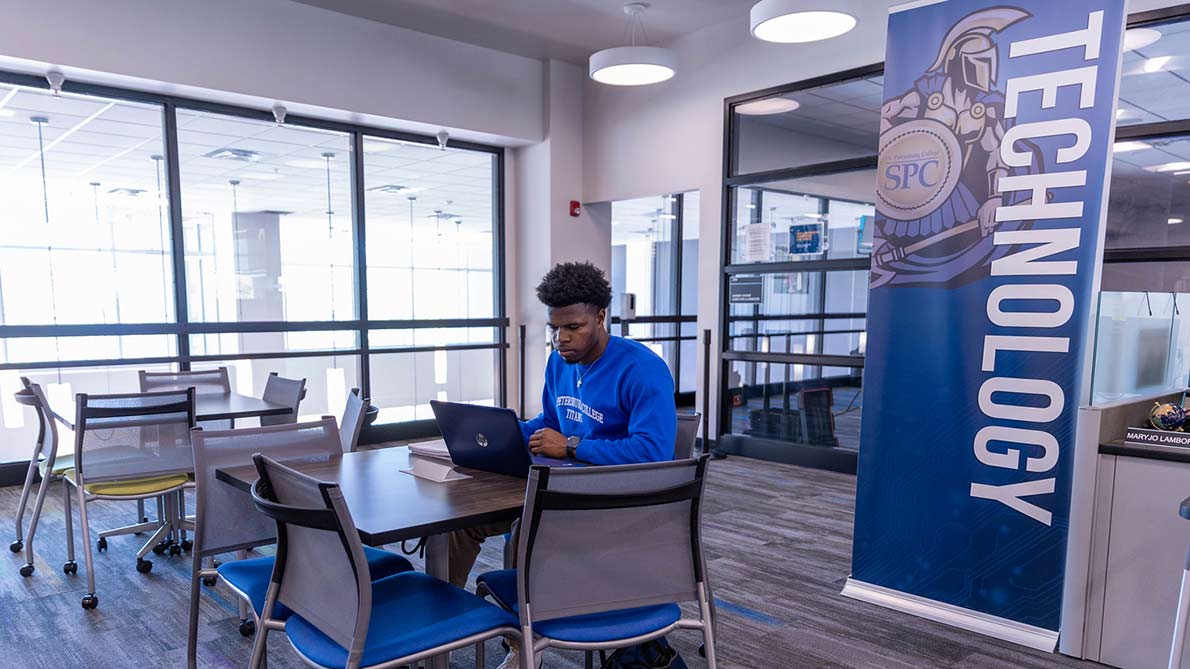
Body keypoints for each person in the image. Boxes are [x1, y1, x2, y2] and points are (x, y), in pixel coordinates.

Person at [446, 261, 677, 669]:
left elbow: (653, 453)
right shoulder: (560, 363)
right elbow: (549, 424)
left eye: (573, 326)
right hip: (557, 488)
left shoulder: (642, 369)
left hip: (618, 502)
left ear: (600, 316)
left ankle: (524, 643)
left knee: (528, 526)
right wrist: (498, 433)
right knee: (460, 522)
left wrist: (571, 447)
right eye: (555, 328)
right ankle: (440, 629)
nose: (561, 338)